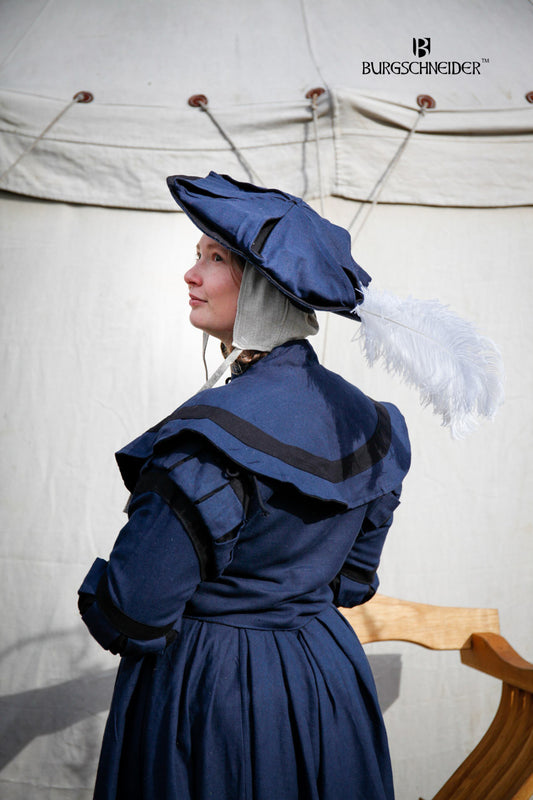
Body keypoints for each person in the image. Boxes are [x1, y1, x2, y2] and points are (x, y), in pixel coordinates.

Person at [78, 172, 411, 800]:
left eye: (215, 259)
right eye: (197, 255)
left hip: (215, 696)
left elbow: (135, 609)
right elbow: (352, 580)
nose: (191, 274)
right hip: (327, 684)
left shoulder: (210, 440)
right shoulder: (370, 423)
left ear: (263, 286)